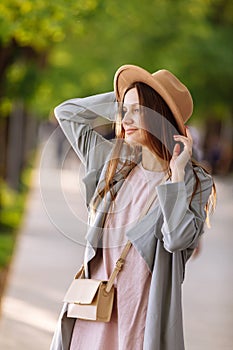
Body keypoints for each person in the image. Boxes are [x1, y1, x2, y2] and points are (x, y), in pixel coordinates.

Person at [50, 65, 216, 350]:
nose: (125, 119)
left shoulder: (192, 181)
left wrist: (175, 177)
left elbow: (177, 239)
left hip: (139, 321)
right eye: (123, 111)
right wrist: (125, 97)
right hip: (93, 311)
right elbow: (67, 113)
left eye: (137, 111)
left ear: (158, 114)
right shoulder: (116, 164)